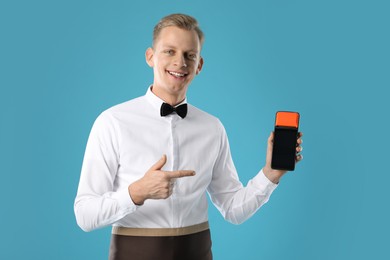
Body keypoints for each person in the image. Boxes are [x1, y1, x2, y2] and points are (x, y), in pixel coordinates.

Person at [74, 13, 303, 260]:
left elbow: (234, 210)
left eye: (189, 55)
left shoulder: (212, 128)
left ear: (199, 65)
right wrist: (136, 192)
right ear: (150, 57)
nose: (180, 62)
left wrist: (270, 174)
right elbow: (85, 215)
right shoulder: (113, 122)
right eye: (169, 51)